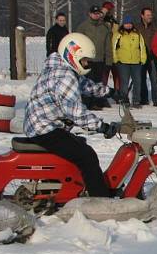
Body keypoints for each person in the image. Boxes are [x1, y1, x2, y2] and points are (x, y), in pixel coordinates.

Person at [23, 32, 123, 198]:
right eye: (84, 60)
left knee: (79, 146)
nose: (86, 64)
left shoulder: (61, 68)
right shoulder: (65, 76)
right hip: (45, 129)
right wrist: (102, 127)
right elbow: (77, 113)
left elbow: (84, 85)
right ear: (72, 55)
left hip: (43, 124)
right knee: (87, 155)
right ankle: (101, 201)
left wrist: (110, 92)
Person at [75, 5, 113, 104]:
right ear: (90, 14)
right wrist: (80, 58)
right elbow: (78, 43)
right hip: (87, 60)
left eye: (98, 14)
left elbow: (108, 44)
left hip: (100, 59)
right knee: (87, 82)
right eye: (94, 13)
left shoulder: (105, 27)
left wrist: (109, 60)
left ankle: (97, 102)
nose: (96, 15)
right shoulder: (83, 26)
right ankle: (87, 102)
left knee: (99, 81)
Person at [112, 15, 147, 107]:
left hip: (136, 62)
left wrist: (143, 59)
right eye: (126, 24)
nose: (128, 25)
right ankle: (124, 99)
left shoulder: (137, 34)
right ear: (123, 24)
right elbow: (113, 48)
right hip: (123, 62)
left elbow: (142, 47)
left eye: (130, 24)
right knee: (124, 82)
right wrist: (116, 59)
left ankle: (136, 100)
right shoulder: (118, 34)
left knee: (137, 82)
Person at [136, 7, 157, 106]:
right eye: (148, 15)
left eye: (151, 15)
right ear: (142, 16)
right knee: (141, 79)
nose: (150, 17)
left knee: (154, 79)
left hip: (152, 58)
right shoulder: (137, 28)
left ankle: (156, 99)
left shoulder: (156, 28)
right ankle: (143, 99)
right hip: (140, 57)